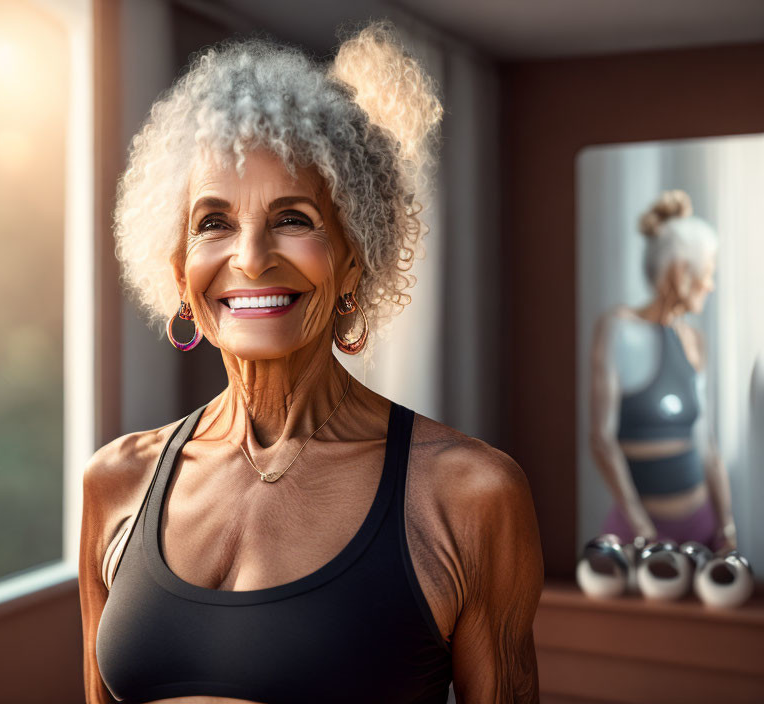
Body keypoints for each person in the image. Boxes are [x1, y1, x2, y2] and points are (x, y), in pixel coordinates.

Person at [79, 21, 543, 704]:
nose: (250, 257)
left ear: (355, 257)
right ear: (179, 272)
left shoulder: (468, 498)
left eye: (293, 217)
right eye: (214, 222)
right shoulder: (117, 481)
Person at [589, 189, 737, 553]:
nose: (712, 284)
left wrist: (727, 527)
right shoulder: (617, 328)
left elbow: (708, 447)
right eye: (709, 271)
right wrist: (641, 527)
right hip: (639, 534)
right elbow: (601, 439)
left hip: (701, 527)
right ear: (682, 271)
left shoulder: (695, 342)